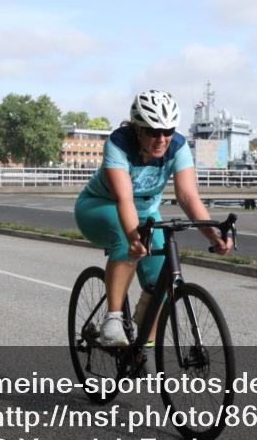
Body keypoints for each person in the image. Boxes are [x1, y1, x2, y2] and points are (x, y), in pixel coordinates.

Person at [74, 90, 233, 346]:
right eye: (153, 131)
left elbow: (188, 197)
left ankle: (142, 348)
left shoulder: (178, 147)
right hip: (98, 207)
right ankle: (113, 320)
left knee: (161, 281)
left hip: (146, 213)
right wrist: (132, 237)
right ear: (138, 129)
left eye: (168, 131)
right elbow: (123, 199)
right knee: (126, 241)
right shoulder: (119, 143)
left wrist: (214, 236)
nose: (162, 139)